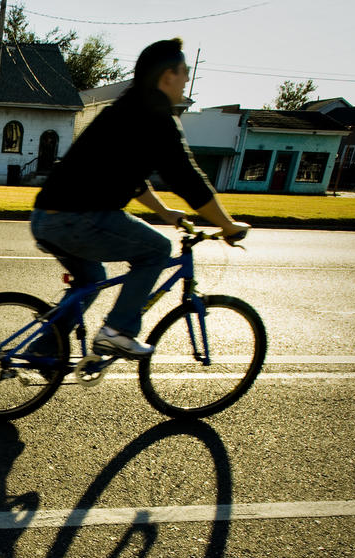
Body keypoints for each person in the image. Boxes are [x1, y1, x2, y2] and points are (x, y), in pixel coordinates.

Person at [31, 38, 249, 359]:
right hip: (78, 217)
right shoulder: (157, 117)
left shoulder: (123, 111)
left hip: (46, 217)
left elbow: (131, 180)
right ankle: (117, 331)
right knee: (157, 250)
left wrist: (165, 212)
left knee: (90, 279)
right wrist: (227, 226)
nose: (187, 78)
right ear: (167, 76)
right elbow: (188, 179)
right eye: (184, 71)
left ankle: (44, 350)